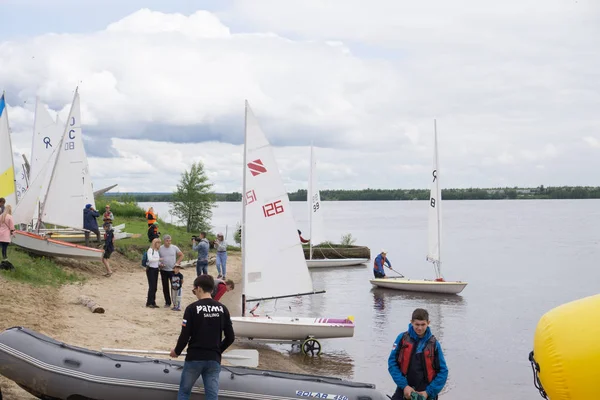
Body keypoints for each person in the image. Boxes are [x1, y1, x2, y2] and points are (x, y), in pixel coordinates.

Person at [170, 274, 235, 400]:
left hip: (195, 357)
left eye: (194, 289)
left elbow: (185, 335)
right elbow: (230, 337)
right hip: (213, 359)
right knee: (212, 396)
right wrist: (217, 350)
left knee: (184, 392)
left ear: (199, 288)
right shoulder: (223, 309)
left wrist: (177, 351)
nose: (194, 291)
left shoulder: (192, 309)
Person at [388, 308, 448, 400]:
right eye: (417, 324)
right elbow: (392, 363)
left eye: (423, 324)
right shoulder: (402, 338)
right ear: (411, 322)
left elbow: (443, 372)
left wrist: (428, 392)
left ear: (428, 323)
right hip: (404, 387)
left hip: (427, 392)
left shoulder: (435, 344)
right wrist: (404, 386)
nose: (420, 328)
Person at [158, 234, 184, 308]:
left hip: (172, 270)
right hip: (163, 270)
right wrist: (160, 264)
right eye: (167, 241)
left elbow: (181, 255)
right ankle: (167, 302)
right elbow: (157, 258)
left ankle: (175, 303)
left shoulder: (174, 247)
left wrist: (177, 263)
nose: (168, 242)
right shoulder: (160, 248)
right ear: (164, 241)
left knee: (174, 286)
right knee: (165, 286)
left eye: (170, 240)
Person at [145, 238, 163, 308]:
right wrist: (159, 259)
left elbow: (155, 261)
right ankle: (149, 302)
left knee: (155, 287)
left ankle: (153, 301)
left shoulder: (156, 251)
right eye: (158, 243)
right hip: (150, 270)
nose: (159, 244)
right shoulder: (150, 250)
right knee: (152, 286)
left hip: (156, 269)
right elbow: (150, 259)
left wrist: (160, 264)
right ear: (155, 243)